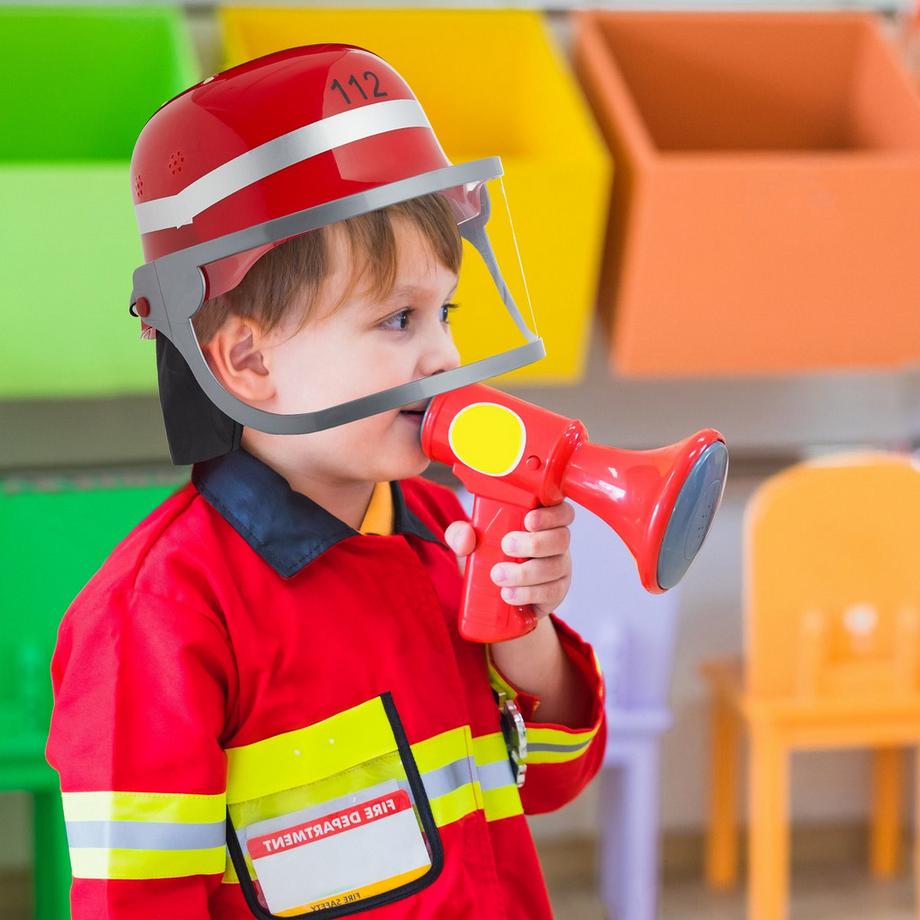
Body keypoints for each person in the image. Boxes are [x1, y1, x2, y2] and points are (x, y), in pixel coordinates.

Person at [47, 43, 606, 919]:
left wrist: (523, 641)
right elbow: (138, 903)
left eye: (444, 312)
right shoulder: (161, 619)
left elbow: (555, 778)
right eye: (397, 318)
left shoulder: (438, 526)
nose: (445, 355)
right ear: (248, 359)